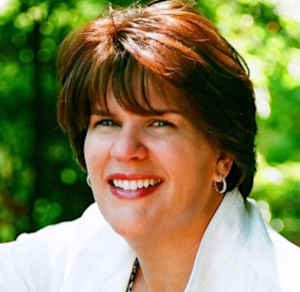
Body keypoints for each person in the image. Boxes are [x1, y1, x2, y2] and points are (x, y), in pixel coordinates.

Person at [0, 0, 299, 291]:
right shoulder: (77, 252)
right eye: (107, 122)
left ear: (224, 154)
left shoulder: (280, 280)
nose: (124, 149)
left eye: (159, 123)